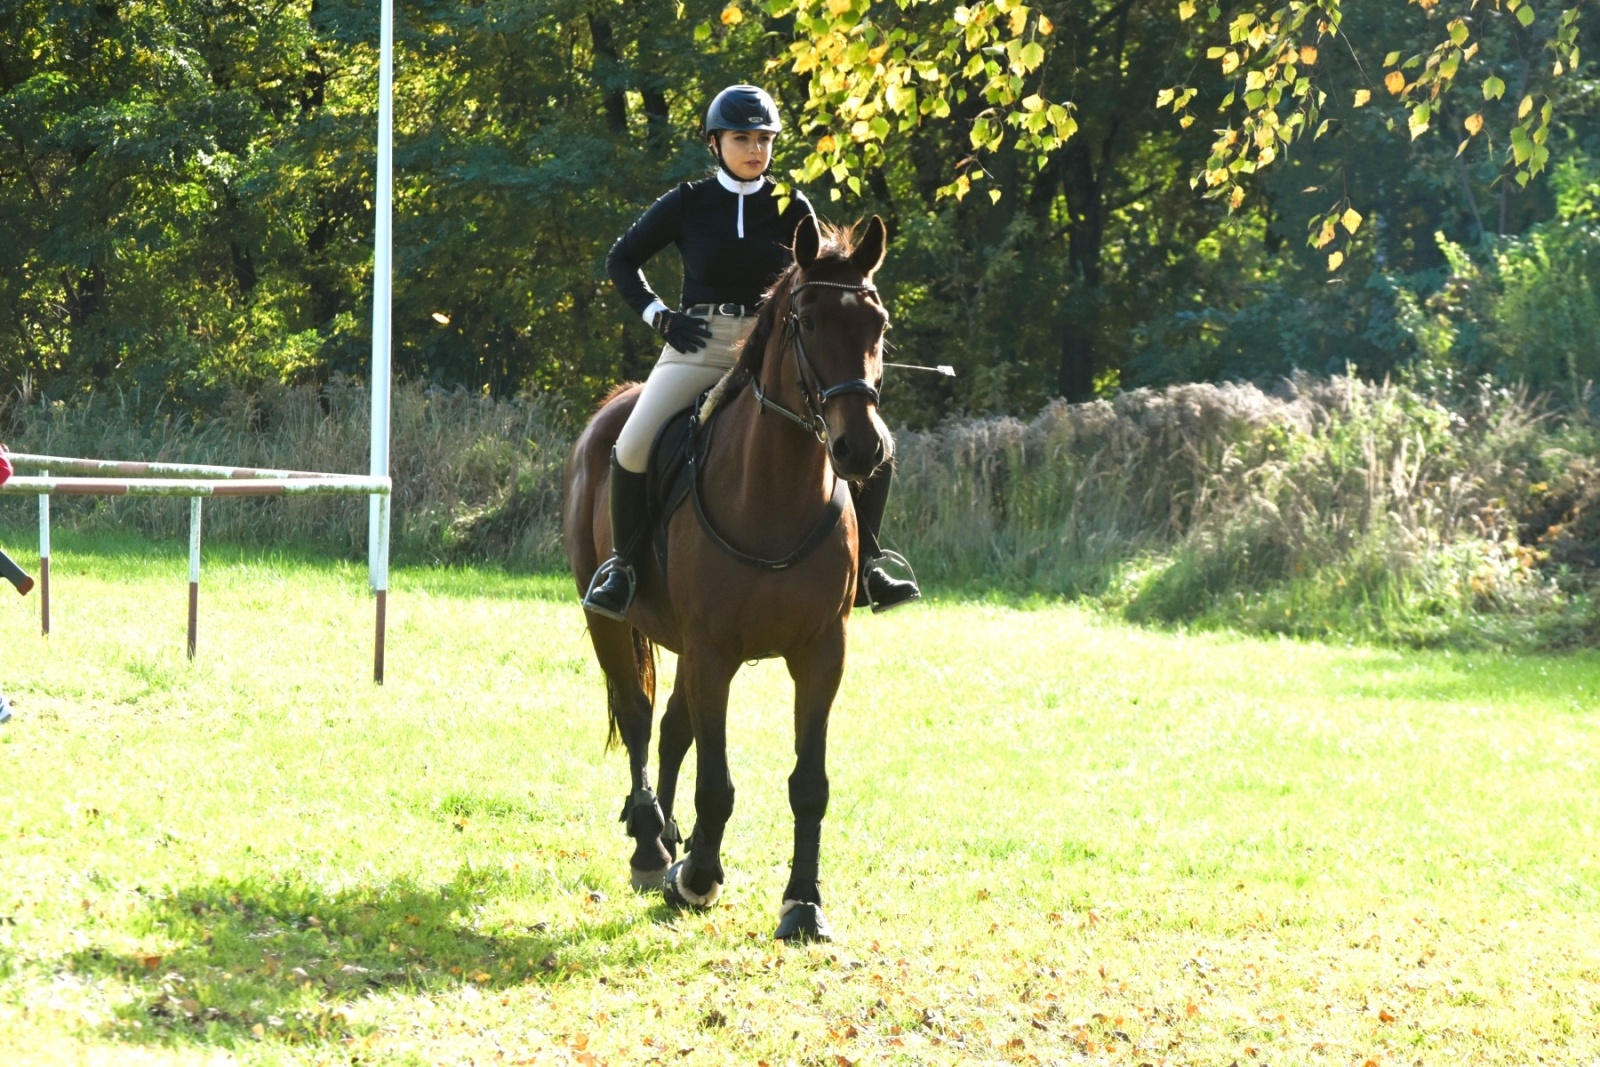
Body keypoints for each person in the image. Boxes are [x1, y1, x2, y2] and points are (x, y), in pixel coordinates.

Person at [582, 83, 921, 621]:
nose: (755, 149)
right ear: (715, 143)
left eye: (764, 139)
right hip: (699, 346)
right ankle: (623, 567)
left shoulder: (791, 205)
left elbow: (825, 281)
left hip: (778, 353)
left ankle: (868, 566)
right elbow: (622, 260)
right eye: (742, 138)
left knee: (871, 439)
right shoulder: (687, 203)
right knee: (632, 441)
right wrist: (660, 317)